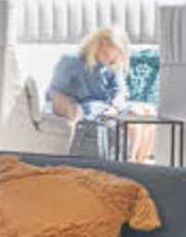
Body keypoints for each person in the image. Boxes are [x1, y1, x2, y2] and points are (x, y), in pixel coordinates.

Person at [42, 24, 134, 157]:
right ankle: (69, 156)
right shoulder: (71, 61)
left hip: (105, 107)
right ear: (96, 45)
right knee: (75, 114)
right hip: (77, 105)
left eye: (114, 57)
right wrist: (69, 106)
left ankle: (135, 161)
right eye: (106, 54)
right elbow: (55, 91)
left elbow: (119, 90)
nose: (109, 59)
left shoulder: (112, 65)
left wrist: (114, 107)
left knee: (140, 112)